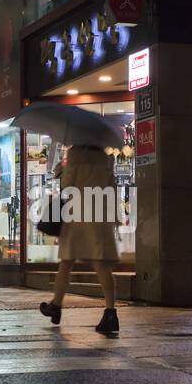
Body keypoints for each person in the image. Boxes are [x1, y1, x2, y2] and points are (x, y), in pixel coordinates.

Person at [39, 143, 120, 336]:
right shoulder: (106, 160)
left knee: (66, 262)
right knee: (101, 265)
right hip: (99, 217)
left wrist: (61, 171)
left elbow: (68, 188)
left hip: (77, 217)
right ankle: (110, 312)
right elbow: (112, 190)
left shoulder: (75, 156)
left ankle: (57, 305)